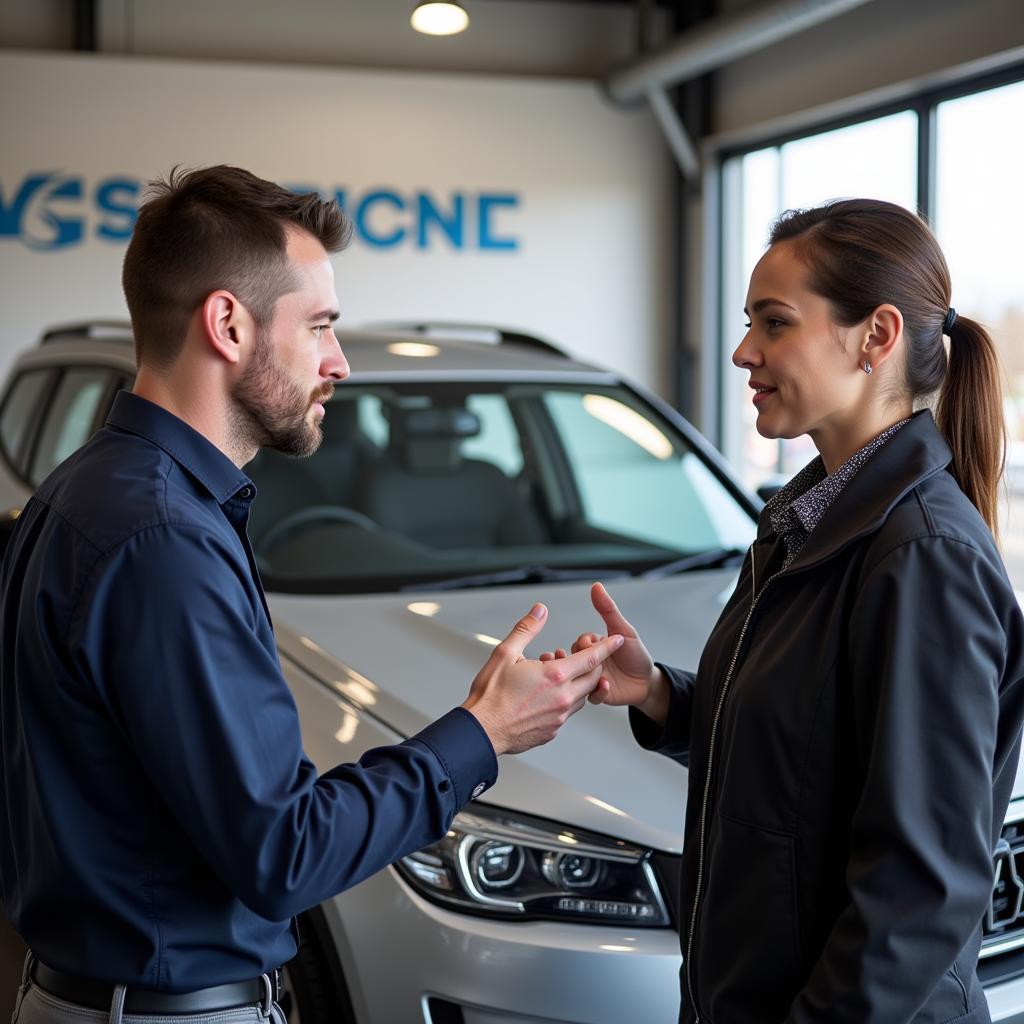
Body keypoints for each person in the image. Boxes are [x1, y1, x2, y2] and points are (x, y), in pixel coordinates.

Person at [0, 165, 623, 1024]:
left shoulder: (89, 490)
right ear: (227, 324)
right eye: (321, 326)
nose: (338, 362)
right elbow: (283, 855)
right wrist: (485, 731)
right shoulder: (162, 541)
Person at [543, 198, 1024, 1023]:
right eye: (749, 323)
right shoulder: (807, 522)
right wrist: (661, 694)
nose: (743, 351)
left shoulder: (921, 559)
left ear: (874, 337)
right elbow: (808, 755)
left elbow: (919, 894)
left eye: (774, 324)